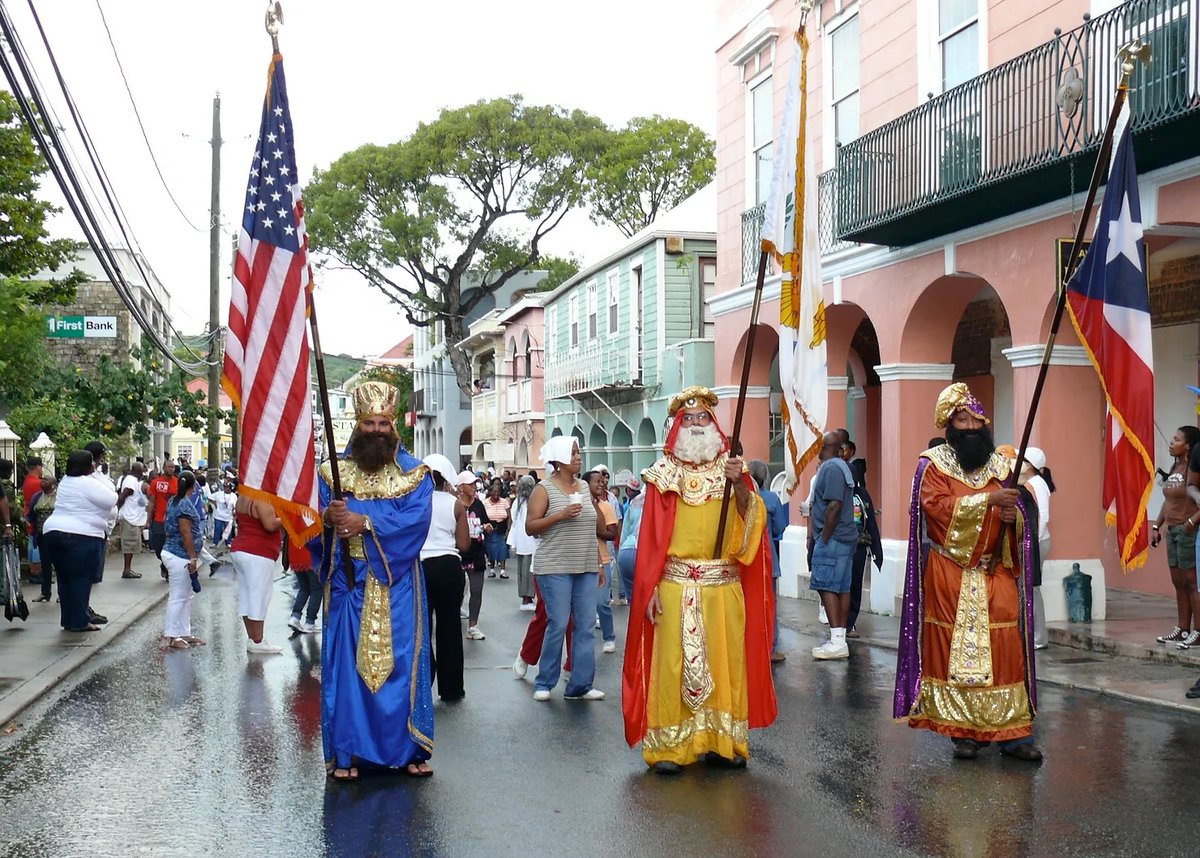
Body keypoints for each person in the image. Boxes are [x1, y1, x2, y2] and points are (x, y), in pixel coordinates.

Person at [622, 387, 776, 774]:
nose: (694, 425)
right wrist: (650, 587)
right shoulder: (663, 474)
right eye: (687, 419)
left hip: (723, 587)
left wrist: (738, 485)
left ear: (714, 423)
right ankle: (671, 748)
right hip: (674, 587)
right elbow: (650, 539)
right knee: (672, 666)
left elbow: (753, 521)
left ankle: (723, 742)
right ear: (677, 425)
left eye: (702, 417)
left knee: (726, 665)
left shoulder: (733, 470)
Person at [894, 382, 1042, 762]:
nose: (972, 427)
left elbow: (1022, 514)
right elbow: (937, 508)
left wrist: (1013, 517)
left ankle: (1013, 733)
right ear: (950, 425)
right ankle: (965, 733)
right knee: (951, 653)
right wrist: (989, 501)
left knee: (1006, 646)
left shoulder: (1001, 466)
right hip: (950, 571)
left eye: (977, 420)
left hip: (996, 570)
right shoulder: (933, 465)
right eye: (963, 420)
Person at [314, 380, 435, 779]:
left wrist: (364, 521)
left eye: (384, 424)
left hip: (398, 583)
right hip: (348, 583)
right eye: (370, 423)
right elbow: (313, 521)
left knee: (402, 664)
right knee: (348, 670)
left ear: (394, 426)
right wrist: (329, 519)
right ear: (358, 424)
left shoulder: (414, 474)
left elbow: (415, 521)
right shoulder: (332, 473)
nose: (377, 431)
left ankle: (408, 750)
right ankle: (348, 754)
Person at [523, 436, 606, 702]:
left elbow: (591, 529)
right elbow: (531, 526)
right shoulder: (544, 489)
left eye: (578, 452)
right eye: (573, 453)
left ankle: (580, 685)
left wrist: (599, 563)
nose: (578, 457)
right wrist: (560, 515)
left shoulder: (584, 486)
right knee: (558, 623)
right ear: (559, 460)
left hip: (586, 566)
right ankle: (544, 682)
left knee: (585, 626)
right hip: (554, 566)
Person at [40, 451, 117, 633]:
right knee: (81, 578)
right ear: (87, 466)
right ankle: (80, 621)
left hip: (52, 532)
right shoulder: (88, 483)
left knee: (64, 578)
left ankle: (68, 620)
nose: (94, 465)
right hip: (81, 534)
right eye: (92, 463)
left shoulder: (65, 481)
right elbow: (111, 500)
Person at [420, 453, 470, 702]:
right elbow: (464, 544)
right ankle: (451, 689)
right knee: (450, 627)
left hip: (420, 566)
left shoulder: (415, 503)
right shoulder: (455, 504)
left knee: (421, 628)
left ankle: (423, 680)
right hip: (449, 566)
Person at [809, 432, 860, 660]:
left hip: (833, 538)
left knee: (826, 586)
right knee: (842, 588)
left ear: (825, 446)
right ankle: (839, 639)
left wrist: (824, 537)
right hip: (845, 537)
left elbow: (834, 505)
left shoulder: (830, 467)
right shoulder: (843, 466)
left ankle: (837, 641)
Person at [1153, 426, 1200, 646]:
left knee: (1191, 583)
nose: (1171, 443)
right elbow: (1168, 501)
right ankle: (1182, 629)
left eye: (1177, 439)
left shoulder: (1193, 468)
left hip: (1187, 530)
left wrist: (1192, 522)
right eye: (1172, 439)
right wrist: (1156, 525)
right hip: (1171, 530)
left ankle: (1198, 631)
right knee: (1178, 582)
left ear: (1188, 445)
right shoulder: (1175, 467)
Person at [230, 492, 283, 655]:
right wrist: (288, 519)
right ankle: (258, 640)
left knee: (247, 596)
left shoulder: (242, 497)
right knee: (259, 597)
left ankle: (253, 638)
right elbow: (270, 524)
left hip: (241, 548)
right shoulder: (262, 497)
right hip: (258, 551)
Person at [160, 470, 206, 650]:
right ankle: (172, 635)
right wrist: (193, 557)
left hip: (176, 552)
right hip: (180, 555)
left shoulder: (174, 500)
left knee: (187, 596)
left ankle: (184, 632)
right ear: (193, 487)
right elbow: (186, 532)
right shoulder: (184, 505)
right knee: (178, 596)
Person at [749, 460, 788, 663]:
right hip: (767, 557)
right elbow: (780, 527)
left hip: (745, 559)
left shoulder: (743, 497)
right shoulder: (771, 498)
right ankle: (770, 648)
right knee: (769, 604)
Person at [846, 454, 883, 639]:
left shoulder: (862, 494)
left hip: (859, 548)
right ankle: (838, 623)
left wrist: (876, 548)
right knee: (842, 586)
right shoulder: (838, 493)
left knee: (855, 586)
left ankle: (850, 622)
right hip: (841, 547)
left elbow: (871, 522)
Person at [1020, 447, 1054, 649]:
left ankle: (1039, 637)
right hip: (1033, 540)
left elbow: (1044, 516)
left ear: (1031, 465)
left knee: (1033, 587)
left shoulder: (1037, 483)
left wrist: (1033, 541)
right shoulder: (1030, 482)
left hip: (1038, 541)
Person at [586, 469, 620, 655]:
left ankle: (609, 637)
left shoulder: (606, 506)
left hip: (603, 559)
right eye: (596, 481)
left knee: (601, 602)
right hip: (581, 560)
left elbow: (612, 533)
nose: (601, 484)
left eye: (602, 481)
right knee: (583, 605)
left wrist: (593, 529)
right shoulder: (577, 504)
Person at [457, 470, 490, 640]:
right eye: (469, 484)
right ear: (461, 487)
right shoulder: (455, 505)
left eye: (474, 484)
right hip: (458, 554)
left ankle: (473, 626)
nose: (473, 487)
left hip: (476, 552)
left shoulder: (478, 505)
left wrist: (487, 527)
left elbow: (485, 522)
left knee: (476, 590)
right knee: (456, 590)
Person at [507, 475, 538, 611]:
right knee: (528, 572)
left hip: (524, 542)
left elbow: (514, 519)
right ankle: (527, 599)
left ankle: (527, 598)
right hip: (529, 542)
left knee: (524, 571)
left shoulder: (518, 502)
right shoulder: (524, 502)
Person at [616, 474, 646, 610]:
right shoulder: (661, 501)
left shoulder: (635, 503)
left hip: (626, 551)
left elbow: (625, 531)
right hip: (643, 551)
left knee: (633, 603)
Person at [147, 461, 179, 577]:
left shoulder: (178, 482)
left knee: (171, 546)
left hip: (173, 521)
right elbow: (152, 502)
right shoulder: (156, 482)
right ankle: (163, 563)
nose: (171, 469)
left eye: (173, 467)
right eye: (169, 467)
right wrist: (148, 519)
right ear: (164, 468)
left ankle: (168, 569)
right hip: (159, 520)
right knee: (158, 546)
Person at [28, 475, 57, 603]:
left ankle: (62, 593)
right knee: (45, 564)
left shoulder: (59, 497)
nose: (43, 481)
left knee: (59, 564)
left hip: (56, 535)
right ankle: (45, 593)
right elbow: (31, 514)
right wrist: (27, 521)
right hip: (41, 535)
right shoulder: (37, 497)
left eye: (46, 479)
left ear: (53, 484)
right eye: (42, 479)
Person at [117, 462, 147, 578]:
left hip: (133, 517)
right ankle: (127, 570)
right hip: (128, 517)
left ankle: (128, 569)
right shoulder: (130, 481)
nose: (143, 474)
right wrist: (118, 511)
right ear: (138, 471)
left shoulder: (133, 481)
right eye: (142, 471)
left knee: (132, 544)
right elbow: (122, 497)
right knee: (129, 544)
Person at [287, 537, 321, 635]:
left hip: (295, 553)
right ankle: (310, 622)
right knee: (317, 589)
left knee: (304, 588)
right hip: (311, 554)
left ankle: (295, 617)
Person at [482, 478, 511, 578]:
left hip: (501, 527)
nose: (496, 494)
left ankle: (502, 570)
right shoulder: (485, 502)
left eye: (498, 492)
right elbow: (482, 517)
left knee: (502, 548)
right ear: (490, 493)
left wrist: (508, 529)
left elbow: (509, 517)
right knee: (491, 548)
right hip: (490, 528)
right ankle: (492, 569)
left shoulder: (504, 502)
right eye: (494, 492)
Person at [21, 456, 42, 585]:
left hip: (28, 514)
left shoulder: (27, 480)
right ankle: (36, 572)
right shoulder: (37, 483)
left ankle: (33, 571)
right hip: (36, 516)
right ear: (38, 467)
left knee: (32, 543)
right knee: (36, 545)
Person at [211, 479, 237, 550]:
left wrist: (234, 512)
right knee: (217, 529)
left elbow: (235, 505)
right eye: (224, 487)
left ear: (230, 488)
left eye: (227, 487)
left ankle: (228, 543)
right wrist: (215, 504)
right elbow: (210, 497)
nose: (225, 488)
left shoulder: (234, 496)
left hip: (228, 517)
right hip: (218, 515)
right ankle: (215, 543)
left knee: (228, 530)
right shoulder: (219, 494)